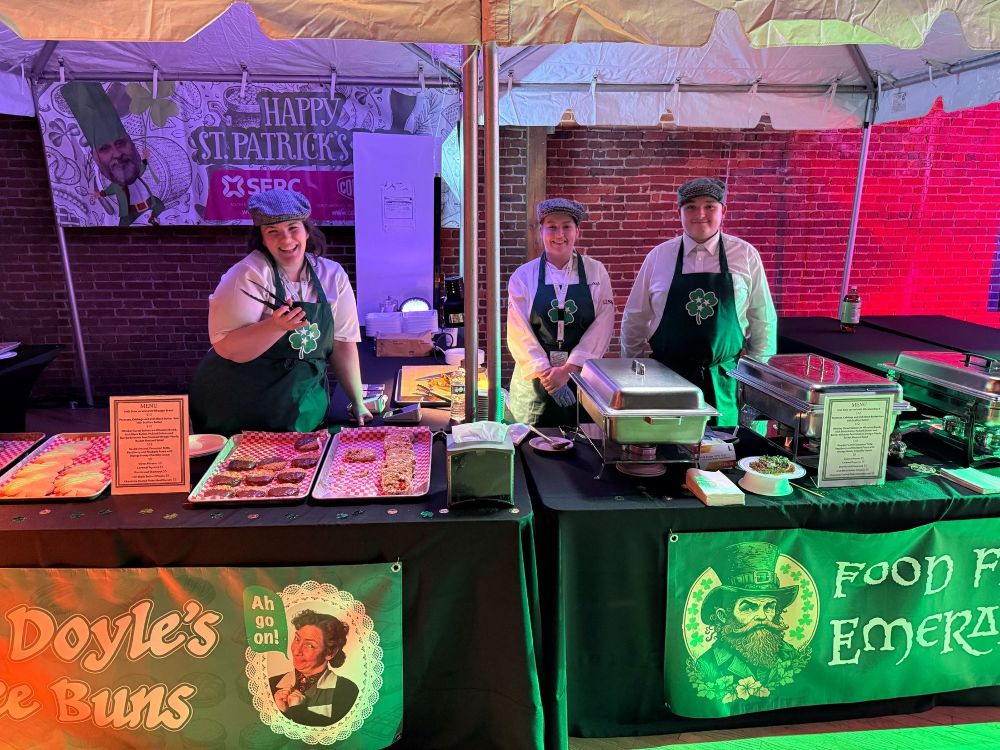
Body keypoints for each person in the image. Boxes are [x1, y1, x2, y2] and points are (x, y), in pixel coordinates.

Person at [189, 188, 371, 434]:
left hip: (298, 405)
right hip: (240, 407)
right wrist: (274, 326)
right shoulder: (248, 275)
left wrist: (358, 402)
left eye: (293, 228)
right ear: (262, 238)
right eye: (273, 232)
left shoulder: (332, 275)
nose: (286, 240)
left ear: (307, 231)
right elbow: (228, 346)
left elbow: (343, 343)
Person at [620, 178, 777, 426]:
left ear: (723, 210)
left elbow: (763, 320)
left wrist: (757, 380)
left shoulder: (745, 255)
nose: (700, 214)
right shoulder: (659, 257)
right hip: (667, 380)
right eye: (691, 206)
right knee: (666, 451)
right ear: (679, 212)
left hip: (725, 382)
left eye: (709, 206)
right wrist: (635, 375)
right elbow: (635, 318)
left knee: (726, 455)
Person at [506, 198, 615, 426]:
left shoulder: (596, 272)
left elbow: (602, 326)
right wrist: (548, 374)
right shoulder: (523, 276)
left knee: (582, 446)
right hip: (535, 383)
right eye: (552, 226)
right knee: (528, 448)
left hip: (581, 378)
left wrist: (569, 369)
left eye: (567, 226)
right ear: (540, 231)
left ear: (578, 231)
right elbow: (518, 332)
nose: (559, 234)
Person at [695, 542, 802, 688]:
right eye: (749, 608)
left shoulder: (792, 656)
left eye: (769, 607)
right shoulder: (705, 666)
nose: (762, 616)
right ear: (723, 616)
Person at [60, 81, 165, 226]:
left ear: (132, 145)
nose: (117, 154)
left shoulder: (153, 196)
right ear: (95, 158)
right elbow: (109, 191)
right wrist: (99, 194)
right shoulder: (118, 195)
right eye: (104, 149)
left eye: (120, 143)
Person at [269, 609, 359, 726]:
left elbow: (329, 733)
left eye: (309, 645)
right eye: (297, 639)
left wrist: (297, 710)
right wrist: (279, 711)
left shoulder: (346, 690)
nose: (296, 651)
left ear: (330, 653)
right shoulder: (271, 683)